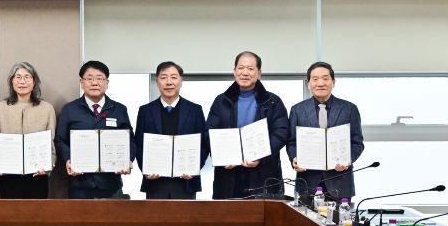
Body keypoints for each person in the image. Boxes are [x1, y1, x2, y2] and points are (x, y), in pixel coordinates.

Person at [207, 51, 289, 199]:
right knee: (228, 213)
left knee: (264, 213)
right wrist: (223, 157)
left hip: (264, 173)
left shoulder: (273, 101)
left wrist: (260, 156)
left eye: (250, 69)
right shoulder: (221, 101)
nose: (245, 72)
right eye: (241, 68)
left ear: (259, 73)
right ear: (234, 71)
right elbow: (210, 132)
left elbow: (281, 133)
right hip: (228, 175)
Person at [55, 60, 136, 199]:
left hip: (111, 183)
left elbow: (130, 140)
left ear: (107, 83)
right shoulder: (70, 109)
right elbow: (60, 140)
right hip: (80, 182)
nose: (94, 83)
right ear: (82, 82)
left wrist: (127, 160)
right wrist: (69, 159)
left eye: (99, 78)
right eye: (89, 78)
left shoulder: (119, 109)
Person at [287, 61, 364, 201]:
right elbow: (292, 142)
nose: (320, 83)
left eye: (325, 78)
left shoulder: (349, 109)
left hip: (340, 181)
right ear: (308, 84)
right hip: (307, 182)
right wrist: (294, 159)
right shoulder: (297, 110)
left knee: (340, 216)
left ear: (333, 82)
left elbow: (357, 143)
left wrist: (347, 160)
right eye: (315, 79)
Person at [135, 61, 208, 199]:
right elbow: (139, 144)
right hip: (155, 182)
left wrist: (194, 168)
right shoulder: (145, 111)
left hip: (186, 182)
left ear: (181, 81)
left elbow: (204, 144)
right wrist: (146, 170)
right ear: (157, 82)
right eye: (163, 77)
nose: (169, 82)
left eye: (174, 77)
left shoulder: (195, 110)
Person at [0, 61, 56, 199]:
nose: (22, 81)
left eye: (27, 77)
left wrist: (49, 165)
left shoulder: (47, 108)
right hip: (8, 175)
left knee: (37, 212)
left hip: (38, 174)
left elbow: (51, 143)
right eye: (18, 77)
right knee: (9, 212)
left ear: (34, 82)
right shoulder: (0, 108)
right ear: (12, 81)